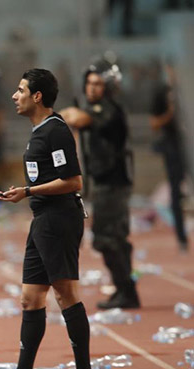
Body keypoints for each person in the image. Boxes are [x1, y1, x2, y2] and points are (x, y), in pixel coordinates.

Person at [0, 69, 96, 369]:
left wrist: (29, 191)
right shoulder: (39, 132)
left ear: (37, 97)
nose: (14, 96)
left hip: (58, 220)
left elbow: (74, 181)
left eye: (20, 90)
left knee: (65, 294)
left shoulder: (56, 132)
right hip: (42, 220)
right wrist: (29, 194)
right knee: (30, 298)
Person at [60, 58, 139, 309]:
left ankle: (125, 290)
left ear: (108, 86)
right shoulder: (97, 107)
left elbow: (81, 119)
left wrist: (60, 116)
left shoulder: (109, 109)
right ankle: (127, 289)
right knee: (117, 238)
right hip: (107, 182)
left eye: (98, 84)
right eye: (89, 84)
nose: (92, 88)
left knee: (106, 239)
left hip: (113, 183)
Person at [150, 63, 189, 252]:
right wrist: (170, 113)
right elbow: (154, 123)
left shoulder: (187, 91)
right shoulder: (162, 94)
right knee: (175, 193)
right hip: (174, 148)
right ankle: (182, 238)